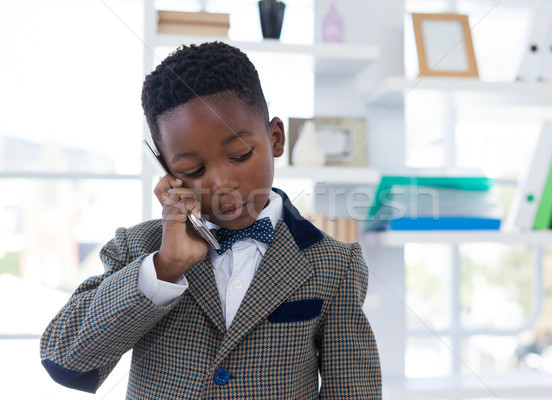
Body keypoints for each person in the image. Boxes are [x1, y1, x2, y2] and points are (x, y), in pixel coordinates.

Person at [40, 41, 382, 399]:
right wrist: (165, 268)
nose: (222, 183)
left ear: (276, 138)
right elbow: (65, 361)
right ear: (166, 169)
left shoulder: (336, 264)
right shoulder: (139, 250)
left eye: (240, 155)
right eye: (193, 169)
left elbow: (354, 393)